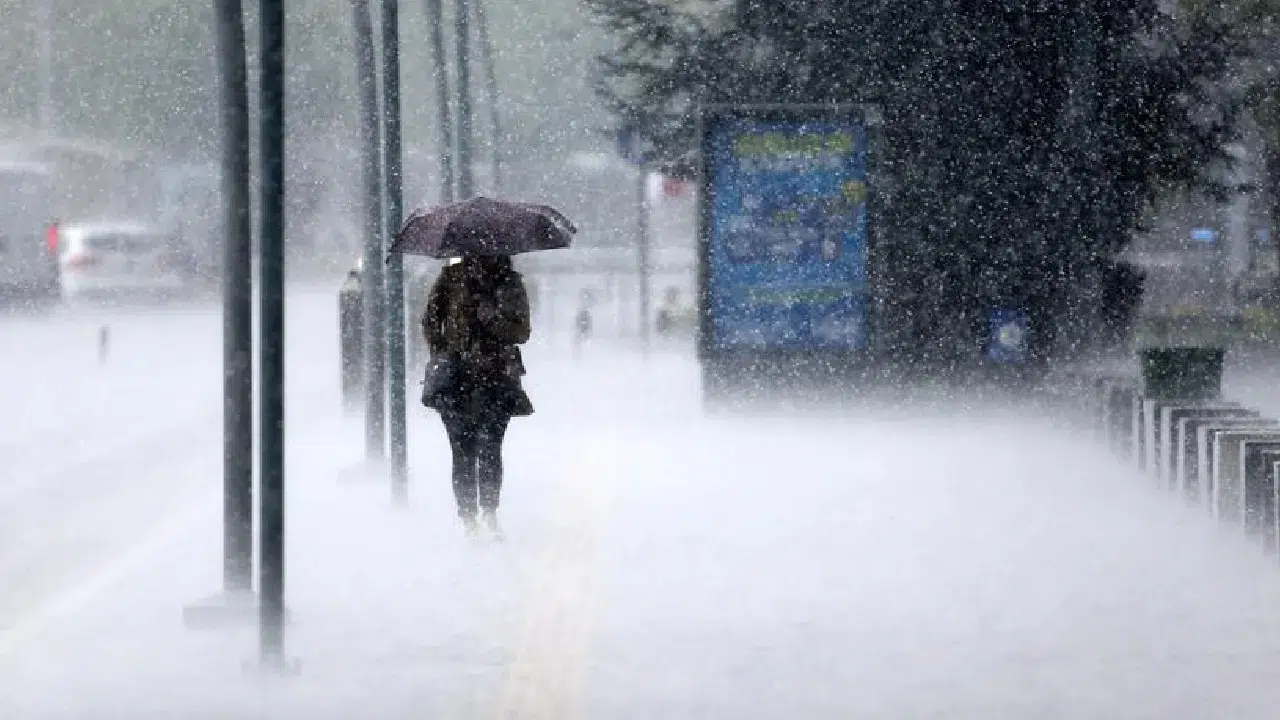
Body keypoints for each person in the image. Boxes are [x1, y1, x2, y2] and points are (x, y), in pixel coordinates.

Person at [422, 255, 533, 539]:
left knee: (491, 448)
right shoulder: (451, 279)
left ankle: (490, 513)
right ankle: (469, 518)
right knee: (462, 450)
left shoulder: (510, 282)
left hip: (496, 376)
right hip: (456, 379)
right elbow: (430, 320)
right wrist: (446, 350)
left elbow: (522, 331)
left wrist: (493, 319)